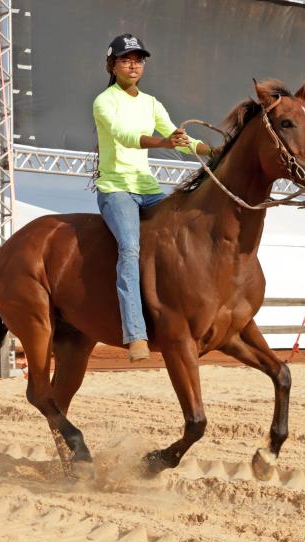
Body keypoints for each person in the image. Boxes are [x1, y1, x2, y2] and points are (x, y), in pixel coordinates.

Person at [92, 33, 215, 361]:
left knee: (186, 234)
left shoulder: (151, 103)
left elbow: (180, 137)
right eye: (126, 59)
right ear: (112, 65)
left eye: (139, 59)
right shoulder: (104, 102)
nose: (133, 65)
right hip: (116, 190)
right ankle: (135, 334)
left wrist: (213, 150)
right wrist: (163, 144)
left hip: (147, 190)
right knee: (130, 249)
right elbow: (124, 136)